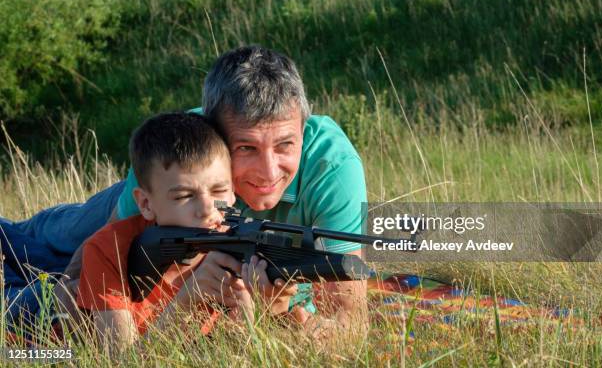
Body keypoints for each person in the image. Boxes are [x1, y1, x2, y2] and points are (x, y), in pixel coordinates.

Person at [6, 45, 368, 337]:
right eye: (246, 149)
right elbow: (88, 268)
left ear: (304, 131)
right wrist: (78, 298)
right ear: (215, 136)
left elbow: (351, 322)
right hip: (164, 198)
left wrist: (288, 325)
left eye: (285, 145)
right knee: (44, 243)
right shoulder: (182, 148)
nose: (269, 172)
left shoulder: (331, 168)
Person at [77, 112, 292, 350]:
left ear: (233, 192)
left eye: (219, 191)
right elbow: (121, 361)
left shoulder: (240, 243)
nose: (206, 209)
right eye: (184, 196)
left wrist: (260, 311)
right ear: (146, 204)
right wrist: (186, 300)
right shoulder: (110, 249)